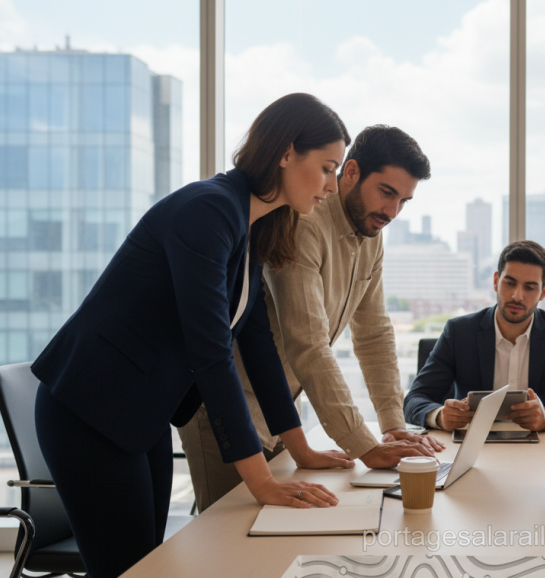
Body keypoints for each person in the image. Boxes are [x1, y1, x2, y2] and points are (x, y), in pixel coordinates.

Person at [32, 93, 355, 578]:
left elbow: (258, 344)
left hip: (139, 414)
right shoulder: (209, 210)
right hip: (88, 411)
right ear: (287, 153)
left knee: (148, 562)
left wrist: (300, 446)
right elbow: (210, 352)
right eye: (328, 168)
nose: (331, 186)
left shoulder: (250, 228)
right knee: (124, 568)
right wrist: (260, 480)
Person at [179, 125, 445, 511]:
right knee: (231, 543)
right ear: (350, 172)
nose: (392, 212)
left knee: (276, 539)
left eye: (404, 200)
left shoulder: (372, 233)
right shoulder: (302, 224)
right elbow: (309, 345)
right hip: (226, 409)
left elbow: (373, 333)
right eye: (387, 192)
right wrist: (363, 445)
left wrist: (392, 425)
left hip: (281, 414)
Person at [404, 240, 545, 431]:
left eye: (530, 287)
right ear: (496, 281)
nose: (517, 296)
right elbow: (415, 399)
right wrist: (440, 416)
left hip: (541, 452)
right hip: (472, 451)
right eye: (510, 283)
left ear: (544, 292)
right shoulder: (459, 332)